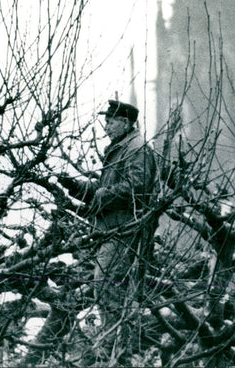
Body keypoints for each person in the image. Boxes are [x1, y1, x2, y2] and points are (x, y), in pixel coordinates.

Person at [56, 99, 157, 364]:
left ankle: (117, 345)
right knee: (108, 285)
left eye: (110, 121)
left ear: (124, 123)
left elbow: (137, 188)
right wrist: (75, 187)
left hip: (126, 229)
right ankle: (119, 343)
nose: (106, 126)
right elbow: (105, 188)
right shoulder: (121, 147)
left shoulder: (136, 149)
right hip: (113, 229)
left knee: (107, 282)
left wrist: (99, 193)